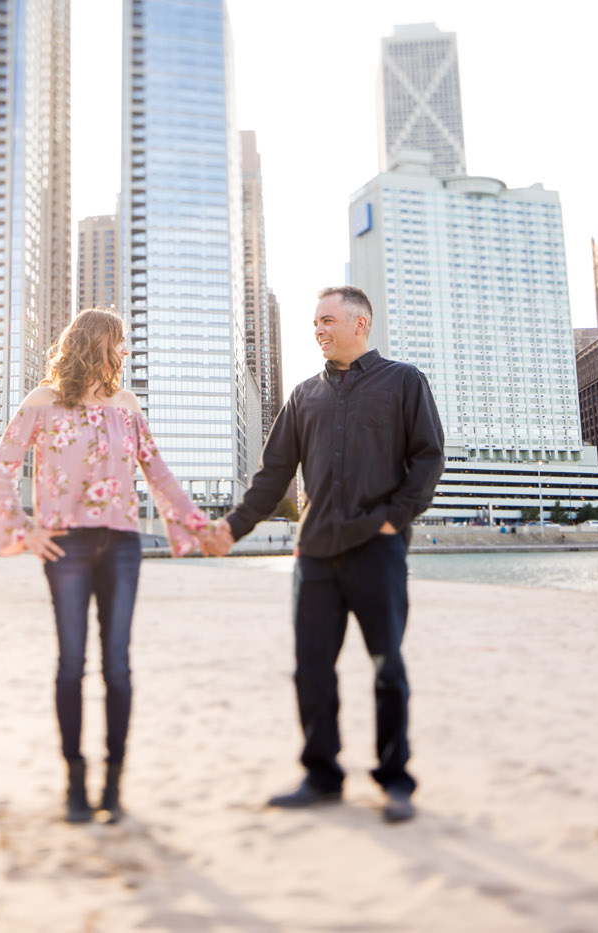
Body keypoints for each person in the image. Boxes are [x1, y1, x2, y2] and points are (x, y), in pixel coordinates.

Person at [204, 286, 444, 823]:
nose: (318, 329)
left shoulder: (404, 382)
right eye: (315, 322)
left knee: (387, 668)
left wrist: (392, 519)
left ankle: (395, 781)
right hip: (313, 555)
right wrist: (231, 528)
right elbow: (272, 477)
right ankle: (321, 775)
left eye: (328, 320)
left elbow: (428, 458)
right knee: (311, 669)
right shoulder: (302, 395)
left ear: (361, 324)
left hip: (376, 551)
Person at [0, 308, 211, 824]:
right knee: (71, 665)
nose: (124, 353)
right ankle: (74, 781)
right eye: (119, 343)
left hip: (123, 545)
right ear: (94, 343)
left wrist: (201, 525)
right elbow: (0, 468)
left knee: (117, 666)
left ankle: (112, 783)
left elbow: (160, 475)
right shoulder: (42, 402)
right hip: (66, 547)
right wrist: (25, 529)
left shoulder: (127, 406)